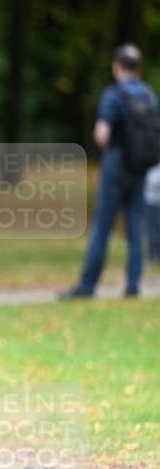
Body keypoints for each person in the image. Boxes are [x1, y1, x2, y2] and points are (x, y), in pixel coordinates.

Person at [60, 44, 159, 299]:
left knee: (102, 225)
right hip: (140, 166)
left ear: (116, 67)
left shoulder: (114, 95)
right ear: (138, 67)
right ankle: (134, 286)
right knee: (136, 225)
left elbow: (102, 134)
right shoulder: (149, 95)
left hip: (116, 163)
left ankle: (88, 285)